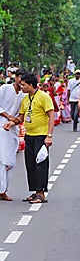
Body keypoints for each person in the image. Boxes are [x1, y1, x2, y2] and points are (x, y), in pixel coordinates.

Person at [5, 72, 54, 204]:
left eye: (23, 84)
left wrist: (49, 136)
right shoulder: (25, 99)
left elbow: (51, 116)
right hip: (29, 135)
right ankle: (34, 191)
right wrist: (12, 122)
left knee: (40, 164)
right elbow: (21, 117)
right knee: (30, 164)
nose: (21, 87)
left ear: (31, 85)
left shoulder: (43, 97)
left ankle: (41, 193)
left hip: (41, 135)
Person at [0, 68, 26, 200]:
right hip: (1, 125)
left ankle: (4, 189)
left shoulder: (24, 95)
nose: (21, 81)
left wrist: (14, 121)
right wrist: (7, 116)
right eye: (19, 77)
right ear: (15, 77)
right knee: (2, 160)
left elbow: (21, 115)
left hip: (13, 128)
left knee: (10, 161)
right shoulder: (5, 88)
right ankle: (1, 190)